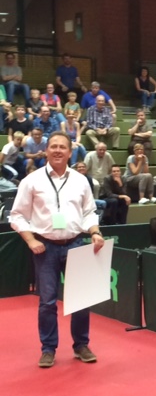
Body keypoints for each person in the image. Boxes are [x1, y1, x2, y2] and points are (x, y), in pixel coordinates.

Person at [10, 131, 105, 368]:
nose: (58, 151)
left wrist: (95, 232)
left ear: (70, 152)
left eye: (63, 147)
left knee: (81, 300)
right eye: (53, 146)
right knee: (47, 302)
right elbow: (17, 215)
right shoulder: (31, 181)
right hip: (45, 248)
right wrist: (30, 240)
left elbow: (89, 212)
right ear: (46, 150)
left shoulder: (81, 180)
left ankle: (81, 345)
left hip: (76, 244)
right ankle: (48, 349)